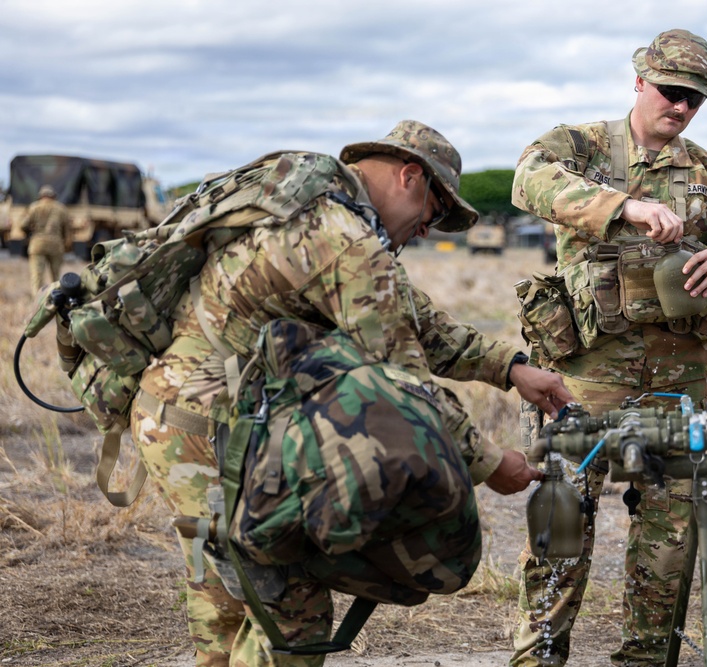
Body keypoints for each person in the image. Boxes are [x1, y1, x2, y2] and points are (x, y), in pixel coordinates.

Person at [129, 120, 575, 666]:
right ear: (411, 177)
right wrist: (489, 463)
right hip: (214, 430)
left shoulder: (320, 209)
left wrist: (512, 367)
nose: (426, 232)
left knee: (227, 594)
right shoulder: (347, 241)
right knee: (290, 618)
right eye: (432, 216)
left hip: (176, 414)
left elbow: (417, 319)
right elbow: (405, 386)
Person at [509, 30, 707, 667]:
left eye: (695, 99)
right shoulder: (578, 147)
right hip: (582, 380)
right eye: (671, 92)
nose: (681, 108)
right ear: (639, 81)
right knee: (561, 526)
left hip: (676, 383)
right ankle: (540, 655)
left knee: (670, 531)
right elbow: (530, 181)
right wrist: (623, 206)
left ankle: (648, 658)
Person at [21, 184, 73, 294]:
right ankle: (57, 299)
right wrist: (66, 244)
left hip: (37, 244)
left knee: (37, 276)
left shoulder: (34, 207)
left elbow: (23, 224)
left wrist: (30, 233)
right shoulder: (61, 209)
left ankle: (37, 301)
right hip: (56, 244)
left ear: (41, 196)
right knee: (56, 276)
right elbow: (67, 230)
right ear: (53, 196)